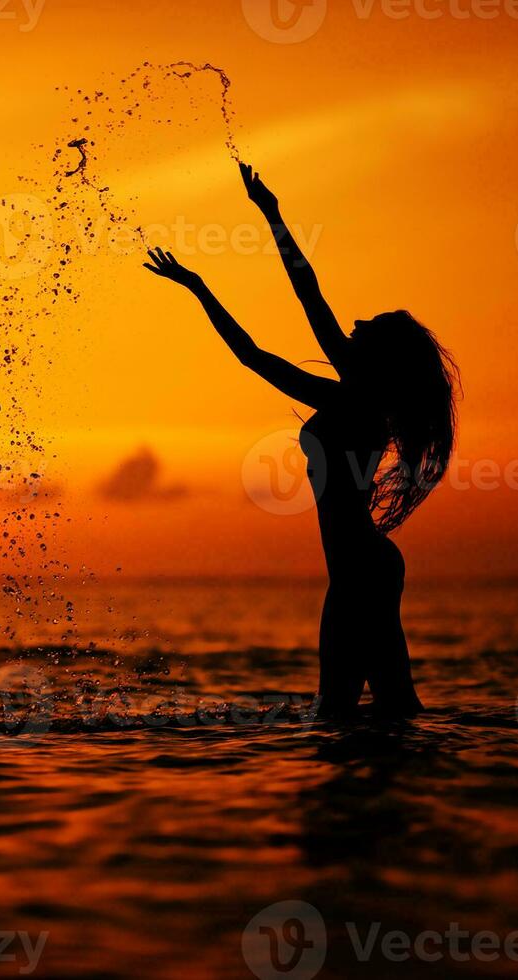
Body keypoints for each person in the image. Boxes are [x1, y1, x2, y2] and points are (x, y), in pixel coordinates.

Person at [143, 163, 459, 716]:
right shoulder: (353, 398)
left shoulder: (352, 404)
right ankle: (398, 798)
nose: (354, 326)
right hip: (363, 566)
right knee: (390, 708)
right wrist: (270, 213)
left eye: (368, 327)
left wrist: (199, 286)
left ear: (377, 358)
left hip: (359, 568)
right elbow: (304, 294)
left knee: (344, 711)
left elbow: (257, 352)